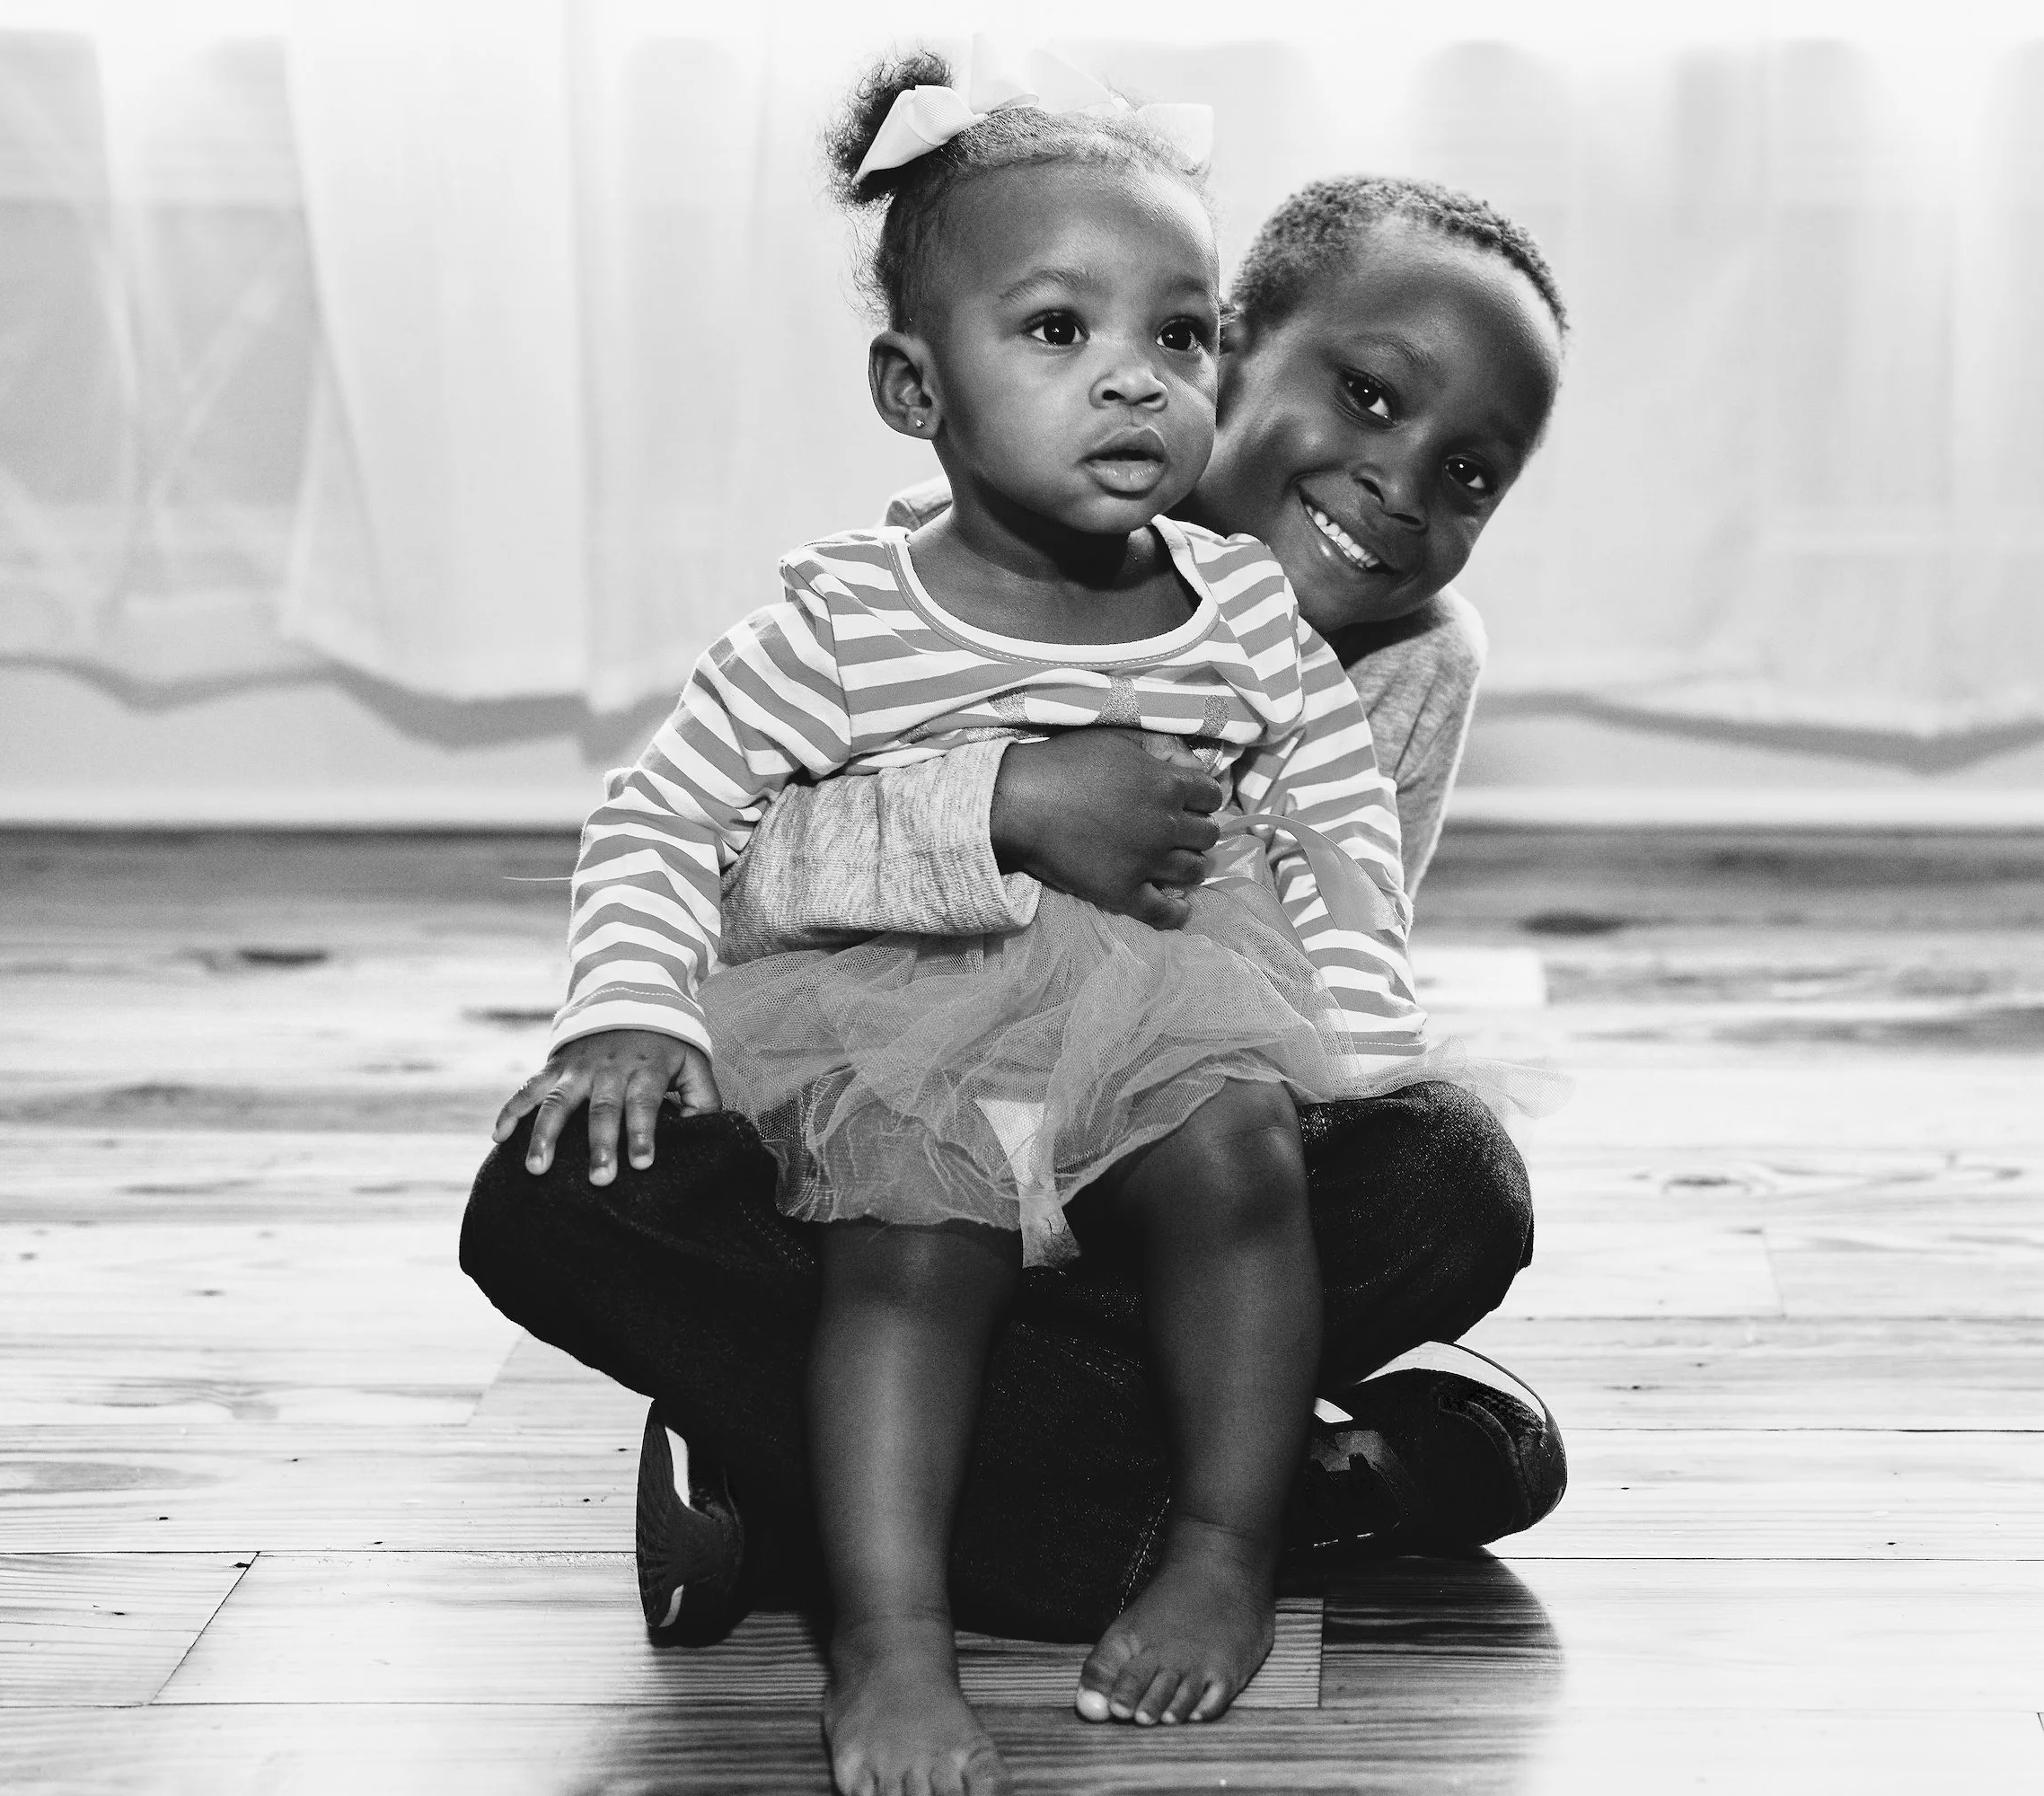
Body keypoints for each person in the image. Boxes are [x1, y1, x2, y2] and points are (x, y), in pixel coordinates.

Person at [462, 48, 1570, 1796]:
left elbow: (1338, 847)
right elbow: (689, 825)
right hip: (895, 1057)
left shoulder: (1270, 626)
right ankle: (1111, 1542)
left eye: (1167, 336)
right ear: (919, 386)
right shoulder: (856, 609)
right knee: (623, 1197)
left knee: (1421, 1170)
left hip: (1163, 1086)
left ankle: (1070, 1518)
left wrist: (1357, 1032)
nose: (1397, 484)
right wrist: (1000, 807)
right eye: (1060, 332)